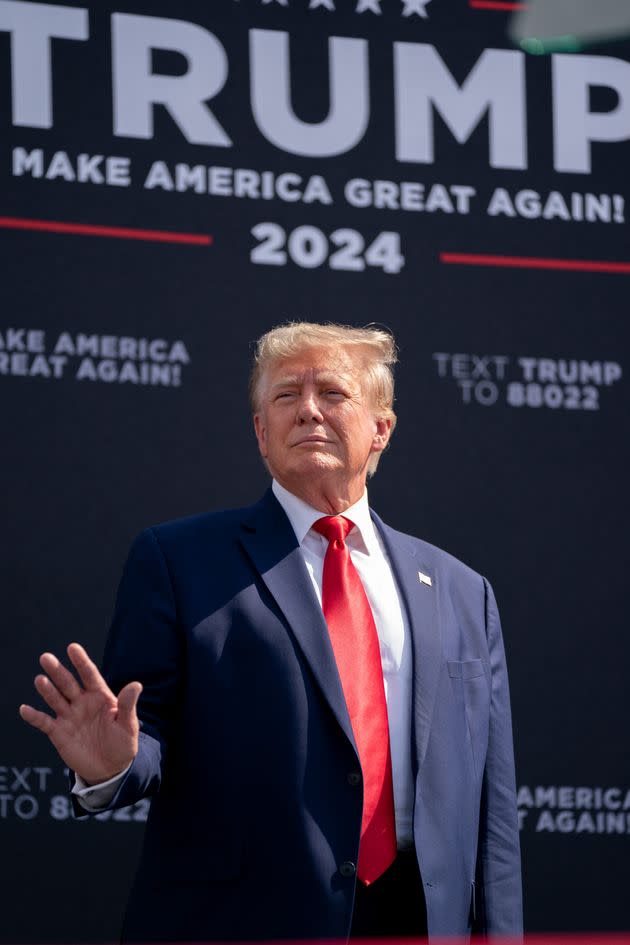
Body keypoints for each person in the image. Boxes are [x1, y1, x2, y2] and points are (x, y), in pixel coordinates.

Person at [20, 322, 522, 942]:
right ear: (262, 433)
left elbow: (493, 811)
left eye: (333, 393)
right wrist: (112, 766)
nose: (308, 410)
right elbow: (143, 733)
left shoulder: (463, 592)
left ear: (381, 430)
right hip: (242, 924)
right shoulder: (178, 561)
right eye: (286, 396)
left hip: (417, 922)